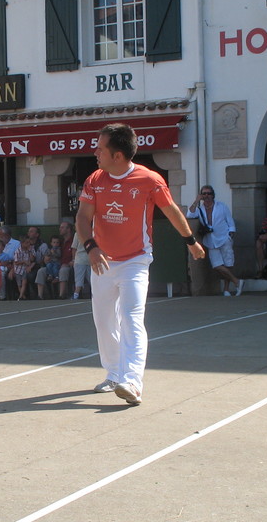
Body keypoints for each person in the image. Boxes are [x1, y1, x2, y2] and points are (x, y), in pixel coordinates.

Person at [77, 123, 205, 406]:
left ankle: (132, 382)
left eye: (101, 148)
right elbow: (83, 218)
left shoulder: (149, 180)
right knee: (104, 320)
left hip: (136, 260)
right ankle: (113, 374)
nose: (95, 152)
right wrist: (91, 247)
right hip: (104, 262)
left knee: (132, 317)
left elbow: (171, 211)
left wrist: (191, 241)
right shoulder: (95, 179)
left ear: (118, 155)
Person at [186, 185, 243, 296]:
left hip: (224, 237)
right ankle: (237, 282)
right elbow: (189, 214)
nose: (207, 196)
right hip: (211, 240)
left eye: (209, 193)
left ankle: (226, 290)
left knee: (228, 264)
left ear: (213, 195)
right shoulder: (200, 209)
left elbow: (229, 220)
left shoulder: (221, 206)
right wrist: (196, 200)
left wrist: (231, 233)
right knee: (216, 265)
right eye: (204, 194)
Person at [10, 236, 35, 300]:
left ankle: (20, 296)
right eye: (26, 243)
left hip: (25, 269)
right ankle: (23, 296)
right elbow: (16, 262)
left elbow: (32, 259)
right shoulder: (18, 251)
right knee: (19, 284)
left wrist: (30, 252)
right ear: (22, 243)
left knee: (24, 282)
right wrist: (23, 262)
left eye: (29, 242)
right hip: (18, 270)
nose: (28, 244)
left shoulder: (31, 249)